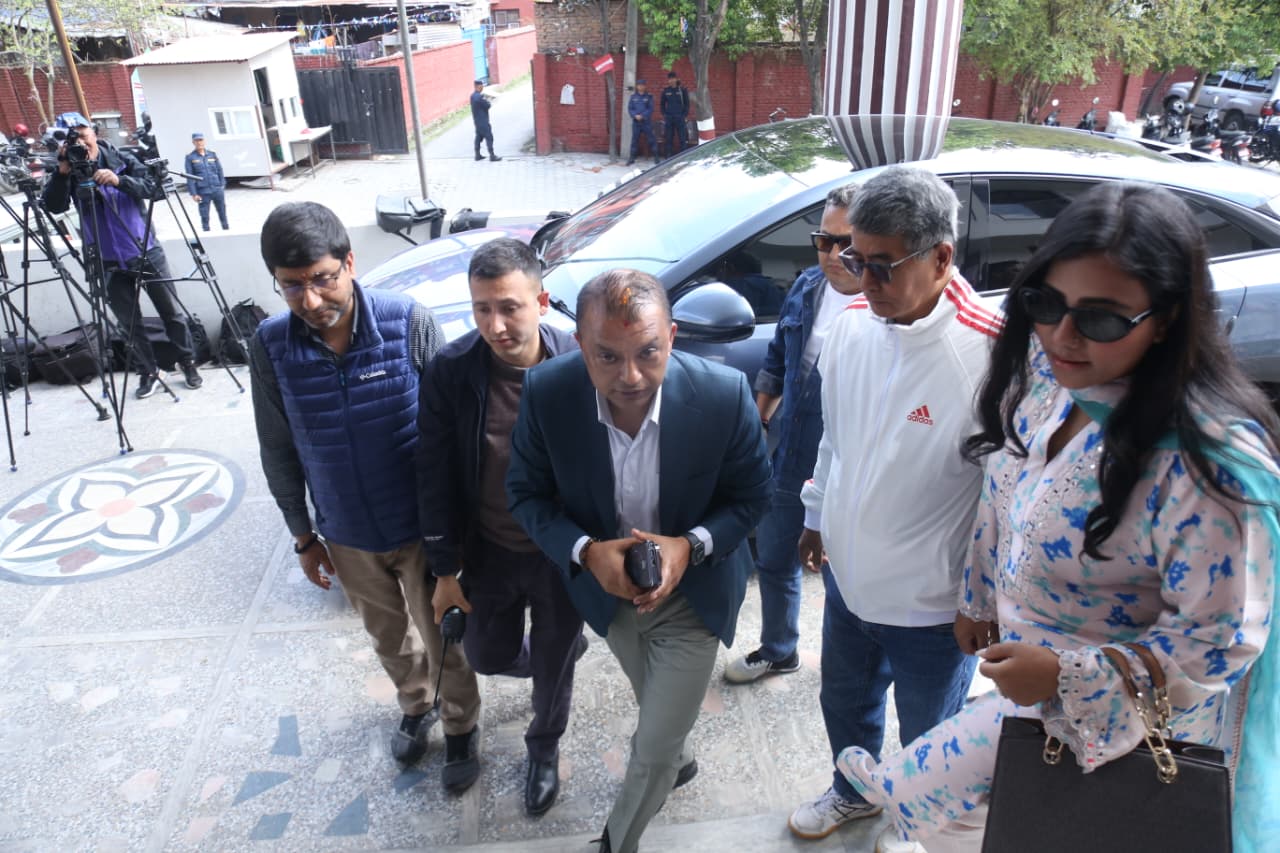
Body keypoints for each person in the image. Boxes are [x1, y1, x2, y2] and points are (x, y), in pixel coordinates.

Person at [838, 182, 1280, 853]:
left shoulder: (1207, 470)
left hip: (1126, 738)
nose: (1063, 335)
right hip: (1027, 700)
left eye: (1101, 318)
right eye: (1046, 305)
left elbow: (1219, 643)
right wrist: (979, 595)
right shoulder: (1051, 378)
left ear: (1166, 319)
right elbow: (1003, 486)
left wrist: (1067, 676)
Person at [507, 269, 773, 853]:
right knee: (657, 707)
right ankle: (682, 757)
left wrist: (690, 545)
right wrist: (587, 553)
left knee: (649, 748)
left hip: (696, 597)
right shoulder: (547, 393)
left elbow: (754, 497)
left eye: (648, 352)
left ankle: (616, 842)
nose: (629, 377)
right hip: (609, 597)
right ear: (580, 344)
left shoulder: (724, 395)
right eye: (607, 356)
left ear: (672, 338)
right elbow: (525, 494)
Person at [790, 166, 1001, 841]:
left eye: (882, 265)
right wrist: (817, 515)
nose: (864, 280)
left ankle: (916, 820)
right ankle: (853, 792)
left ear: (941, 258)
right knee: (844, 703)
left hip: (932, 608)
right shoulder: (854, 324)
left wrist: (980, 600)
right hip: (849, 585)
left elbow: (1005, 499)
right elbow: (835, 435)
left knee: (930, 732)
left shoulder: (991, 355)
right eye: (855, 259)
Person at [249, 201, 482, 792]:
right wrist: (303, 536)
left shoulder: (408, 322)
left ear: (349, 263)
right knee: (388, 637)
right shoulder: (270, 346)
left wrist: (458, 531)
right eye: (291, 286)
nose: (310, 300)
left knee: (445, 635)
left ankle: (461, 723)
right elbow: (277, 447)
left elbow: (452, 433)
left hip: (423, 528)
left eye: (323, 279)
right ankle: (416, 704)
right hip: (346, 533)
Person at [417, 237, 586, 816]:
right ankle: (554, 656)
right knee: (487, 654)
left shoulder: (578, 362)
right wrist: (444, 570)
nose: (494, 325)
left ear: (540, 301)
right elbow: (433, 471)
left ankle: (544, 747)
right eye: (481, 309)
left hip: (559, 551)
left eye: (509, 307)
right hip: (489, 549)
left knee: (555, 663)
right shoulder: (452, 371)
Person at [723, 183, 861, 685]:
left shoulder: (884, 308)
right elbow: (779, 359)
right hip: (791, 454)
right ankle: (780, 649)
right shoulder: (807, 287)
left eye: (847, 244)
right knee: (776, 556)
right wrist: (760, 423)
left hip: (850, 470)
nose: (833, 254)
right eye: (824, 240)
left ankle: (853, 671)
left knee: (845, 576)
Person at [42, 111, 202, 398]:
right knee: (129, 325)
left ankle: (187, 361)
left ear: (94, 133)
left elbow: (155, 190)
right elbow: (53, 206)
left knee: (172, 312)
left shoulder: (122, 159)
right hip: (106, 259)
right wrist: (62, 171)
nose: (81, 143)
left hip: (144, 249)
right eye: (73, 140)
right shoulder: (68, 171)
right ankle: (148, 371)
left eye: (84, 135)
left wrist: (119, 180)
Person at [184, 132, 229, 232]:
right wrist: (194, 194)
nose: (199, 142)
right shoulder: (190, 157)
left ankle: (226, 230)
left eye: (201, 140)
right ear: (193, 142)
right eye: (197, 141)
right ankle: (206, 232)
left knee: (222, 212)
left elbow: (219, 170)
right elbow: (189, 177)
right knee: (204, 215)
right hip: (203, 191)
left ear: (204, 141)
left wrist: (222, 184)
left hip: (217, 189)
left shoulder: (212, 154)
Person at [626, 79, 658, 166]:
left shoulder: (649, 97)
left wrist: (643, 116)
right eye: (639, 85)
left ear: (645, 86)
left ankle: (656, 157)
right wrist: (635, 115)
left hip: (646, 122)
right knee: (634, 140)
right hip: (636, 123)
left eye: (642, 85)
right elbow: (630, 108)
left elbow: (650, 108)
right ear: (637, 86)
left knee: (651, 139)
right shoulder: (633, 97)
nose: (641, 86)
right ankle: (632, 158)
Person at [660, 71, 690, 157]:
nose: (671, 80)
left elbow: (687, 104)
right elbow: (662, 104)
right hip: (669, 118)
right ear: (668, 80)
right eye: (670, 79)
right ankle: (669, 157)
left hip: (680, 118)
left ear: (676, 79)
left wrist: (684, 115)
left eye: (673, 78)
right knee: (669, 138)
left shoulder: (682, 90)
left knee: (682, 138)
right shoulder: (666, 91)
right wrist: (664, 114)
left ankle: (683, 156)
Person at [471, 81, 501, 162]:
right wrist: (488, 101)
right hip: (483, 121)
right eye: (481, 87)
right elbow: (487, 105)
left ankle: (477, 155)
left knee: (478, 137)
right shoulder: (479, 97)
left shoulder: (472, 96)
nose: (482, 88)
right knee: (489, 137)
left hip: (477, 121)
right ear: (478, 86)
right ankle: (492, 155)